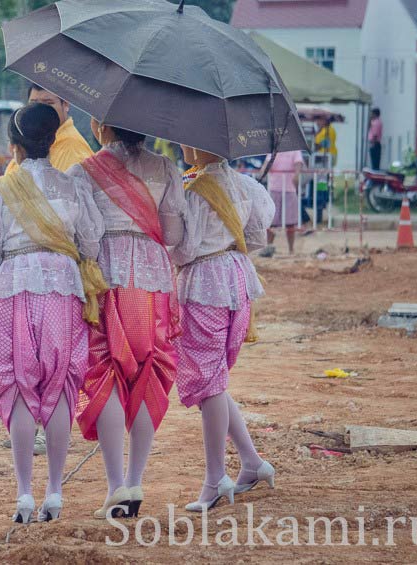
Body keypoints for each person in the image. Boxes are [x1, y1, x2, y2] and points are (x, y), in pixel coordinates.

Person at [0, 103, 106, 523]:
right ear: (53, 140)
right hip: (64, 287)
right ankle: (56, 493)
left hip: (13, 287)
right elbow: (91, 247)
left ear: (14, 147)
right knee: (60, 384)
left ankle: (24, 495)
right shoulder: (73, 188)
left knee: (18, 385)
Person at [69, 119, 187, 519]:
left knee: (105, 371)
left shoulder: (83, 171)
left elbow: (83, 236)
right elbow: (172, 233)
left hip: (108, 279)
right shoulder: (167, 168)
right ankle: (135, 480)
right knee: (149, 371)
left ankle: (116, 485)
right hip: (153, 281)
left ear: (101, 126)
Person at [171, 145, 276, 512]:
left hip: (203, 283)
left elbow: (183, 250)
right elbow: (258, 239)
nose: (182, 147)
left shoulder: (191, 190)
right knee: (213, 379)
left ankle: (215, 479)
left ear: (199, 144)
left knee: (208, 380)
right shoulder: (248, 186)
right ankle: (251, 462)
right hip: (238, 280)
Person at [2, 84, 95, 457]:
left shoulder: (71, 150)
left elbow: (81, 222)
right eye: (35, 103)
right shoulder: (25, 153)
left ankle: (45, 429)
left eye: (48, 103)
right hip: (31, 275)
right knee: (33, 360)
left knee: (50, 363)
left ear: (65, 106)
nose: (41, 109)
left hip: (55, 272)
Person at [5, 84, 93, 174]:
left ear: (65, 105)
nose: (39, 111)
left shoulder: (73, 148)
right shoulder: (26, 141)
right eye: (33, 104)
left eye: (48, 103)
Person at [259, 150, 303, 255]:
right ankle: (269, 247)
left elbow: (298, 163)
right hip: (274, 188)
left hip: (289, 189)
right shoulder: (273, 150)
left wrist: (297, 175)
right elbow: (265, 167)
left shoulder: (295, 149)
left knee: (291, 222)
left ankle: (291, 250)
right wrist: (264, 168)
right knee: (271, 221)